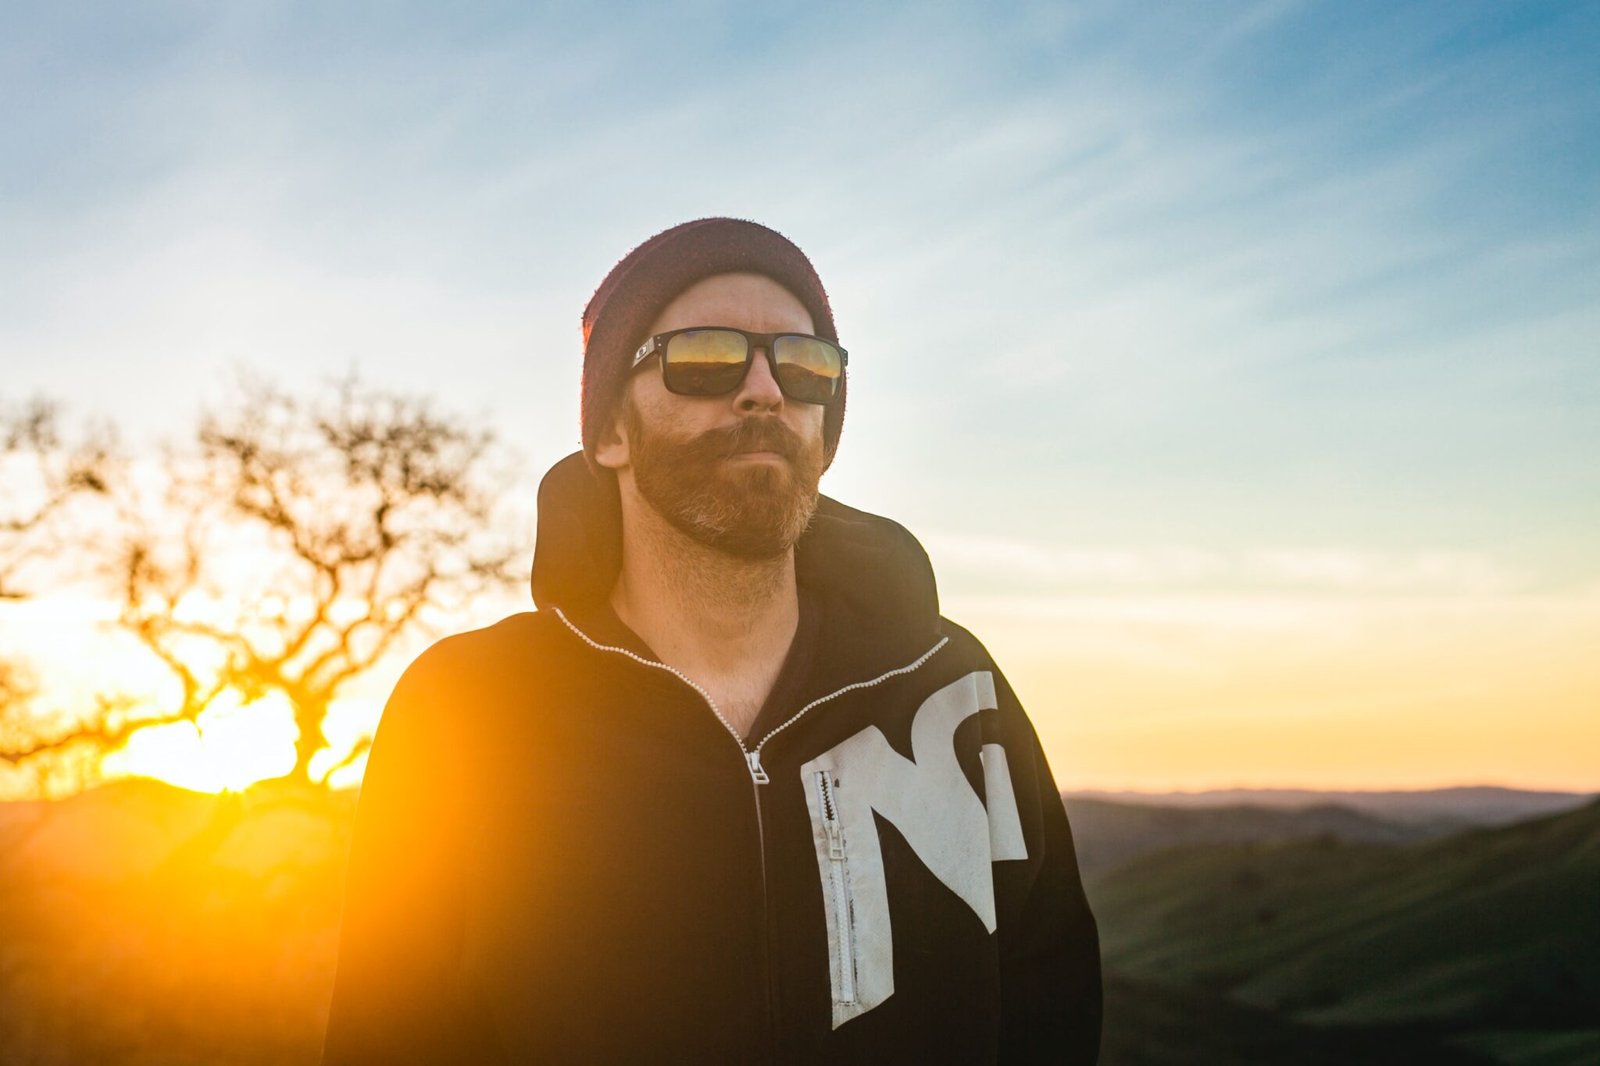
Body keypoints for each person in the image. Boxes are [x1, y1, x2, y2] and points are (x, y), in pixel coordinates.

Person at [321, 218, 1101, 1064]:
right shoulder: (469, 710)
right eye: (704, 358)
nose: (765, 389)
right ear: (611, 433)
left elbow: (1049, 1001)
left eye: (804, 367)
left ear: (825, 432)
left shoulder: (953, 690)